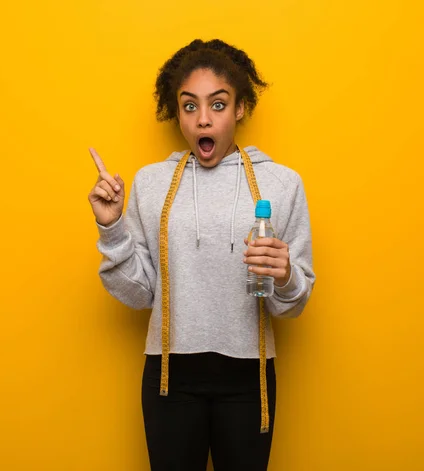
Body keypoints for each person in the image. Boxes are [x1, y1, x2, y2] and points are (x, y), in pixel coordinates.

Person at [87, 38, 315, 471]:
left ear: (240, 109)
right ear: (177, 113)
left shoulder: (283, 184)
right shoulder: (152, 184)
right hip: (170, 377)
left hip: (251, 381)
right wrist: (112, 226)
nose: (203, 119)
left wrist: (286, 275)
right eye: (190, 106)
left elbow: (295, 304)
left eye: (218, 104)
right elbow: (140, 295)